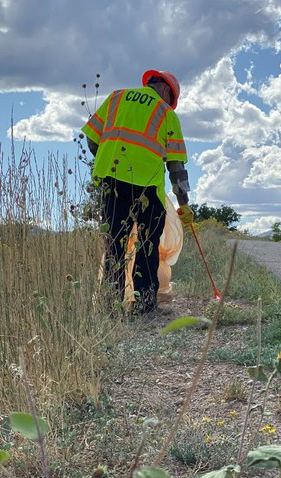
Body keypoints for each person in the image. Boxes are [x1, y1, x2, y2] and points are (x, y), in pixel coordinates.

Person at [81, 69, 193, 316]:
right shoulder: (166, 113)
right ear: (166, 90)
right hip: (147, 189)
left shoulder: (116, 98)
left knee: (115, 246)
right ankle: (143, 308)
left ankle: (110, 307)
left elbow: (91, 140)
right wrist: (183, 203)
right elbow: (176, 167)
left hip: (112, 184)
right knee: (147, 247)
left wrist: (110, 161)